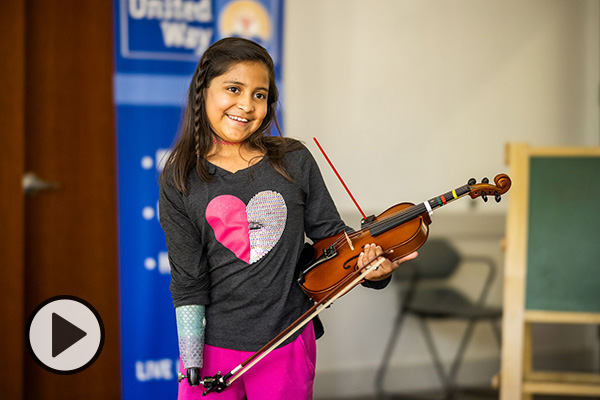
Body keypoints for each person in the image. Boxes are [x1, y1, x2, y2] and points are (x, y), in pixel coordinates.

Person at [158, 37, 417, 400]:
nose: (246, 105)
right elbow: (188, 282)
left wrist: (371, 270)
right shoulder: (179, 177)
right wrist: (192, 365)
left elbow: (332, 240)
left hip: (287, 340)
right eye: (233, 88)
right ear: (202, 91)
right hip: (213, 348)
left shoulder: (293, 159)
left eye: (259, 95)